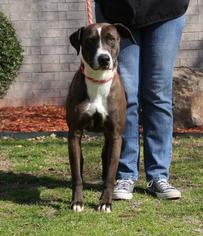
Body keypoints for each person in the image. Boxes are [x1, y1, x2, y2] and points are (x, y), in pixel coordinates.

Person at [94, 0, 190, 200]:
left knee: (158, 93)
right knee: (126, 95)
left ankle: (158, 176)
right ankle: (125, 175)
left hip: (167, 9)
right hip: (119, 12)